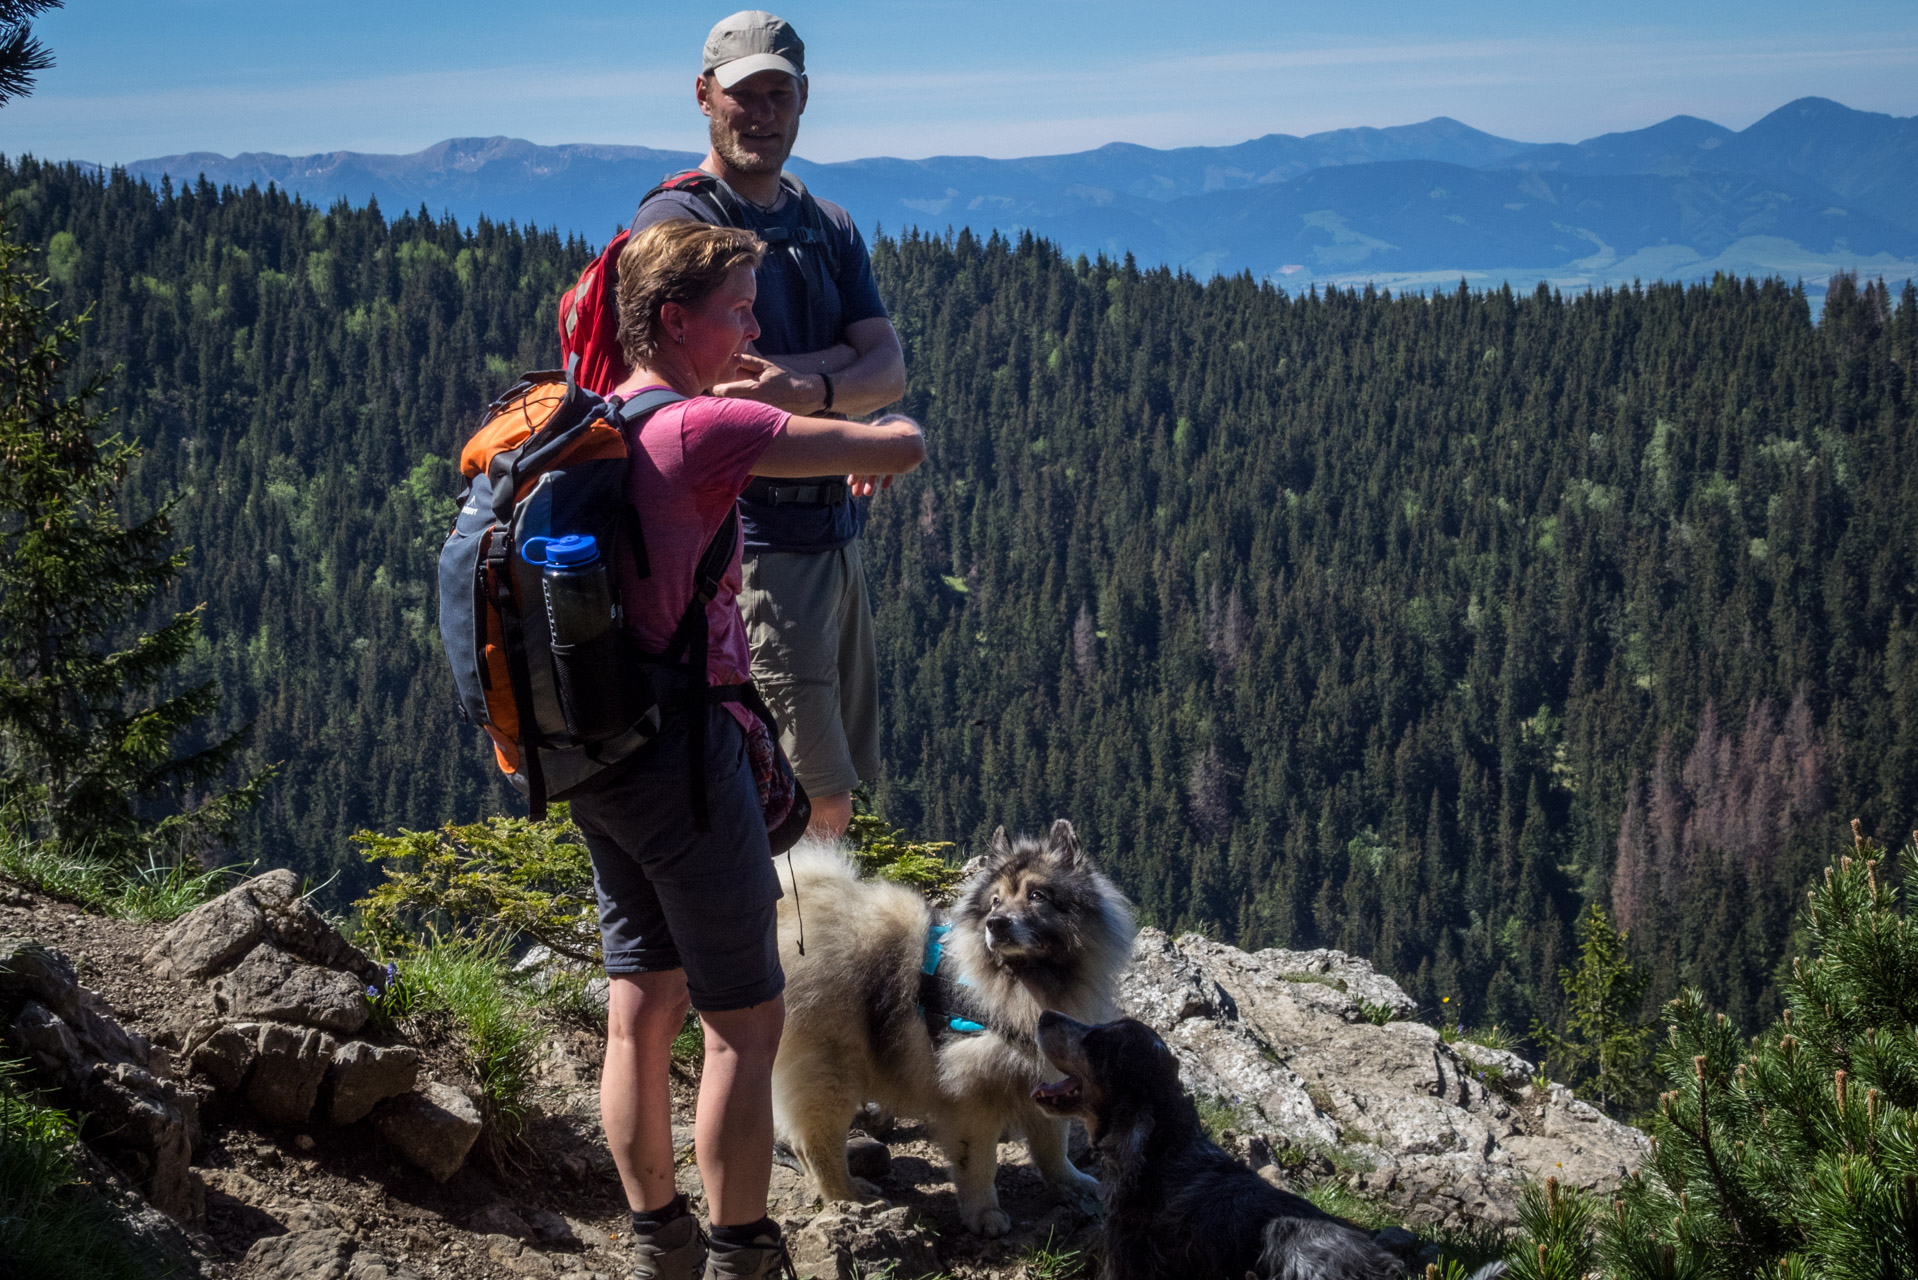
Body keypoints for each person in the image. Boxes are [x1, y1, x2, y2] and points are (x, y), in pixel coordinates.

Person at [578, 218, 923, 1280]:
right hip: (686, 761)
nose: (755, 327)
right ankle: (740, 1252)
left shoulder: (604, 419)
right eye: (736, 308)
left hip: (602, 755)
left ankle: (658, 1239)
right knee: (745, 1018)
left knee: (640, 1005)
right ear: (674, 319)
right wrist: (826, 398)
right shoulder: (698, 426)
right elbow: (896, 441)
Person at [632, 10, 908, 842]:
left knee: (834, 790)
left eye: (776, 94)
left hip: (832, 538)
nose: (761, 112)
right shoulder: (677, 226)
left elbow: (888, 369)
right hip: (744, 552)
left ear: (804, 98)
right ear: (704, 96)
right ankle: (786, 966)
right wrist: (848, 406)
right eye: (742, 94)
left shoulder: (825, 225)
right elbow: (682, 399)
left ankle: (786, 962)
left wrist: (809, 391)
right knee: (807, 800)